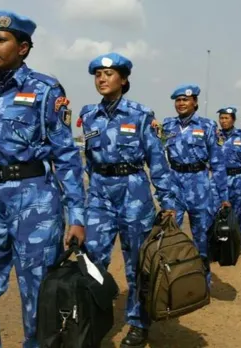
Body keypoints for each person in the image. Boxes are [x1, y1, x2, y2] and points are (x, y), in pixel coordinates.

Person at [0, 10, 86, 348]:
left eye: (1, 40)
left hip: (34, 200)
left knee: (38, 302)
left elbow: (66, 156)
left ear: (23, 47)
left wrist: (77, 216)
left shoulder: (45, 90)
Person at [80, 52, 176, 347]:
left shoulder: (140, 114)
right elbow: (87, 159)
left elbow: (156, 159)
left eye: (109, 74)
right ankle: (92, 321)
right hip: (99, 192)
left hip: (133, 191)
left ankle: (137, 322)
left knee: (136, 262)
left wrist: (168, 200)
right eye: (98, 74)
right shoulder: (89, 116)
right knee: (92, 258)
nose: (102, 79)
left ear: (123, 79)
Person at [162, 84, 229, 281]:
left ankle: (202, 279)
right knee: (170, 233)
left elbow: (217, 163)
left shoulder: (207, 126)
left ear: (195, 102)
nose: (181, 103)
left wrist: (223, 196)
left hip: (199, 185)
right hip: (174, 183)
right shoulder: (167, 126)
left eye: (185, 99)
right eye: (178, 100)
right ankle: (173, 279)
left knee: (201, 235)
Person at [217, 106, 241, 246]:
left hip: (238, 178)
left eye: (226, 118)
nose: (223, 121)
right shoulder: (215, 136)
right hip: (219, 179)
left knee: (238, 210)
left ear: (233, 120)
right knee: (217, 209)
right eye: (221, 118)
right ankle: (221, 239)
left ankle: (239, 238)